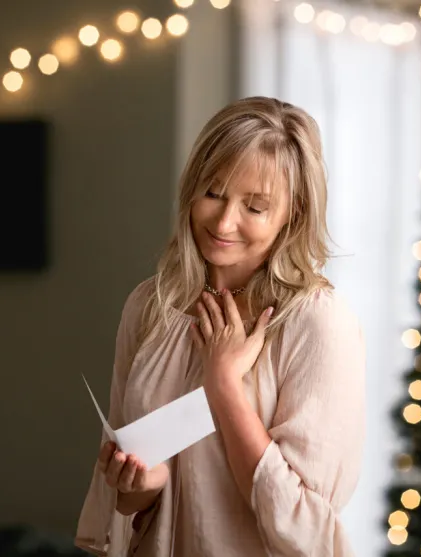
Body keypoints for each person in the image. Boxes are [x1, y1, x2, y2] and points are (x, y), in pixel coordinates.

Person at [75, 96, 366, 557]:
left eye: (255, 206)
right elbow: (127, 504)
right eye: (213, 193)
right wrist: (142, 483)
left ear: (293, 212)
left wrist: (224, 384)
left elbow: (306, 533)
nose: (225, 221)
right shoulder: (151, 307)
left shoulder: (317, 324)